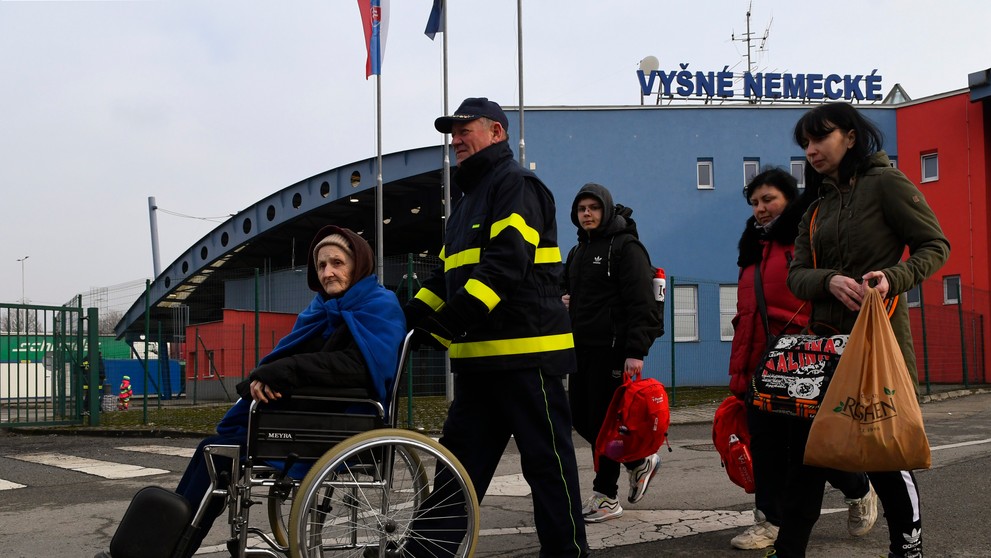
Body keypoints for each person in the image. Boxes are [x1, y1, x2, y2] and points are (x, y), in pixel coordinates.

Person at [94, 225, 406, 558]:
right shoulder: (321, 309)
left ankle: (171, 551)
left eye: (337, 263)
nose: (328, 272)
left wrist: (282, 373)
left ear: (358, 263)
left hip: (342, 420)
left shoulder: (379, 305)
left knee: (220, 454)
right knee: (212, 451)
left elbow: (356, 368)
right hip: (309, 413)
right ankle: (164, 548)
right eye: (321, 266)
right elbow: (298, 359)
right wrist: (265, 377)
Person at [403, 97, 589, 557]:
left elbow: (506, 266)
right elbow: (445, 278)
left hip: (528, 358)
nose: (456, 139)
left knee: (548, 468)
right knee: (458, 470)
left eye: (465, 130)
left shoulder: (517, 186)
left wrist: (445, 327)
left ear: (497, 133)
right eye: (453, 132)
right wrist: (405, 320)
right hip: (479, 366)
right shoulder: (466, 204)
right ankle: (428, 552)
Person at [767, 103, 950, 558]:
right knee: (806, 458)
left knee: (886, 454)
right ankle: (789, 550)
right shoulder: (816, 207)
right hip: (823, 351)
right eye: (804, 144)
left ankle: (907, 549)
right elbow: (796, 275)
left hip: (877, 345)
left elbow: (936, 246)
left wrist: (893, 277)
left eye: (820, 138)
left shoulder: (885, 184)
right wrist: (826, 279)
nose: (811, 150)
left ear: (850, 136)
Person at [727, 167, 878, 550]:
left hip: (802, 360)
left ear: (788, 198)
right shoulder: (751, 248)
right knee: (765, 446)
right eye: (755, 202)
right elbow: (746, 310)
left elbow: (818, 294)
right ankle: (769, 522)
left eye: (769, 199)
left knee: (809, 449)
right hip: (762, 360)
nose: (761, 208)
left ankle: (859, 487)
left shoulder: (806, 237)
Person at [561, 183, 663, 523]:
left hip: (615, 352)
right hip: (581, 350)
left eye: (593, 208)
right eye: (581, 209)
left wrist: (636, 350)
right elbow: (564, 290)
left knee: (606, 423)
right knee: (582, 418)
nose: (587, 214)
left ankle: (605, 496)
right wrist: (562, 300)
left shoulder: (626, 248)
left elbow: (642, 302)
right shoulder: (576, 253)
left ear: (605, 210)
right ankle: (637, 461)